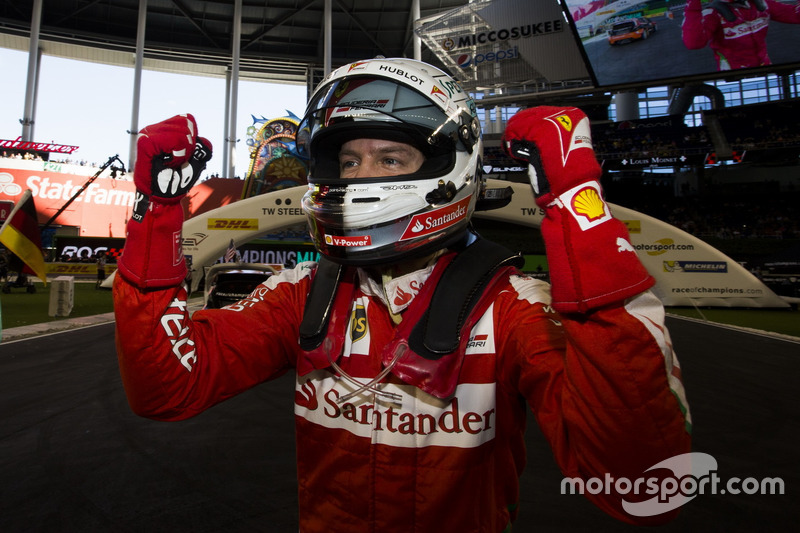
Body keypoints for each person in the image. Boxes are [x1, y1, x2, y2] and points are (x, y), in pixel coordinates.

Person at [113, 58, 691, 532]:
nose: (361, 178)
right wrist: (160, 212)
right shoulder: (302, 292)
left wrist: (576, 204)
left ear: (452, 167)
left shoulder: (511, 305)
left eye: (390, 158)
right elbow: (167, 389)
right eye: (347, 160)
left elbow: (639, 479)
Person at [682, 0, 800, 71]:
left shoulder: (763, 4)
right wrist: (692, 8)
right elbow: (694, 43)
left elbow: (796, 15)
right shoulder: (713, 14)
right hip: (733, 77)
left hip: (766, 70)